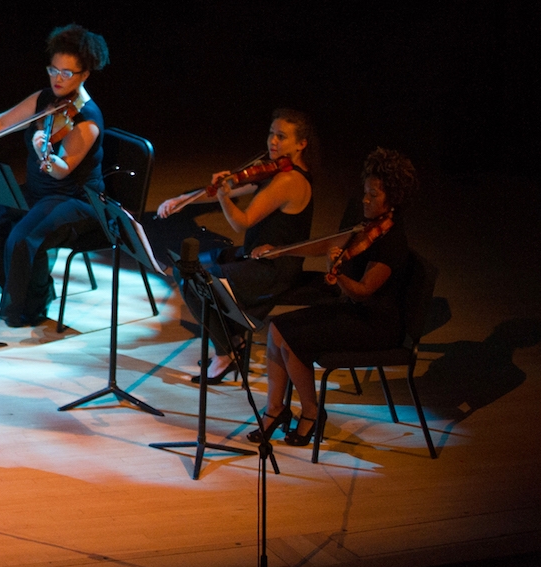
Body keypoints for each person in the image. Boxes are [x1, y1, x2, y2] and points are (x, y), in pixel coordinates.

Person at [250, 148, 417, 447]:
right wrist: (279, 250)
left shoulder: (393, 241)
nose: (365, 199)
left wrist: (336, 272)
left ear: (393, 197)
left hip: (375, 326)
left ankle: (312, 413)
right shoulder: (366, 223)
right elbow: (325, 243)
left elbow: (364, 292)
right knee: (275, 328)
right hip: (351, 311)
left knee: (290, 337)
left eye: (373, 195)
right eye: (365, 192)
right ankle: (275, 409)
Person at [0, 24, 109, 328]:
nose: (57, 79)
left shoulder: (87, 119)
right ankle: (32, 290)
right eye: (53, 69)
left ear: (85, 75)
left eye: (67, 73)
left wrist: (43, 154)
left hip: (74, 199)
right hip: (37, 193)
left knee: (21, 237)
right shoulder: (44, 99)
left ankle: (28, 304)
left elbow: (62, 170)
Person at [154, 109, 317, 382]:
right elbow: (230, 191)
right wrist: (184, 198)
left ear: (301, 144)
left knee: (194, 280)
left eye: (281, 137)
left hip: (273, 269)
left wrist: (222, 196)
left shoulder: (288, 180)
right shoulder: (274, 170)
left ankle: (226, 352)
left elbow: (241, 221)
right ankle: (234, 339)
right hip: (256, 256)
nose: (272, 142)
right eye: (271, 134)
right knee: (198, 264)